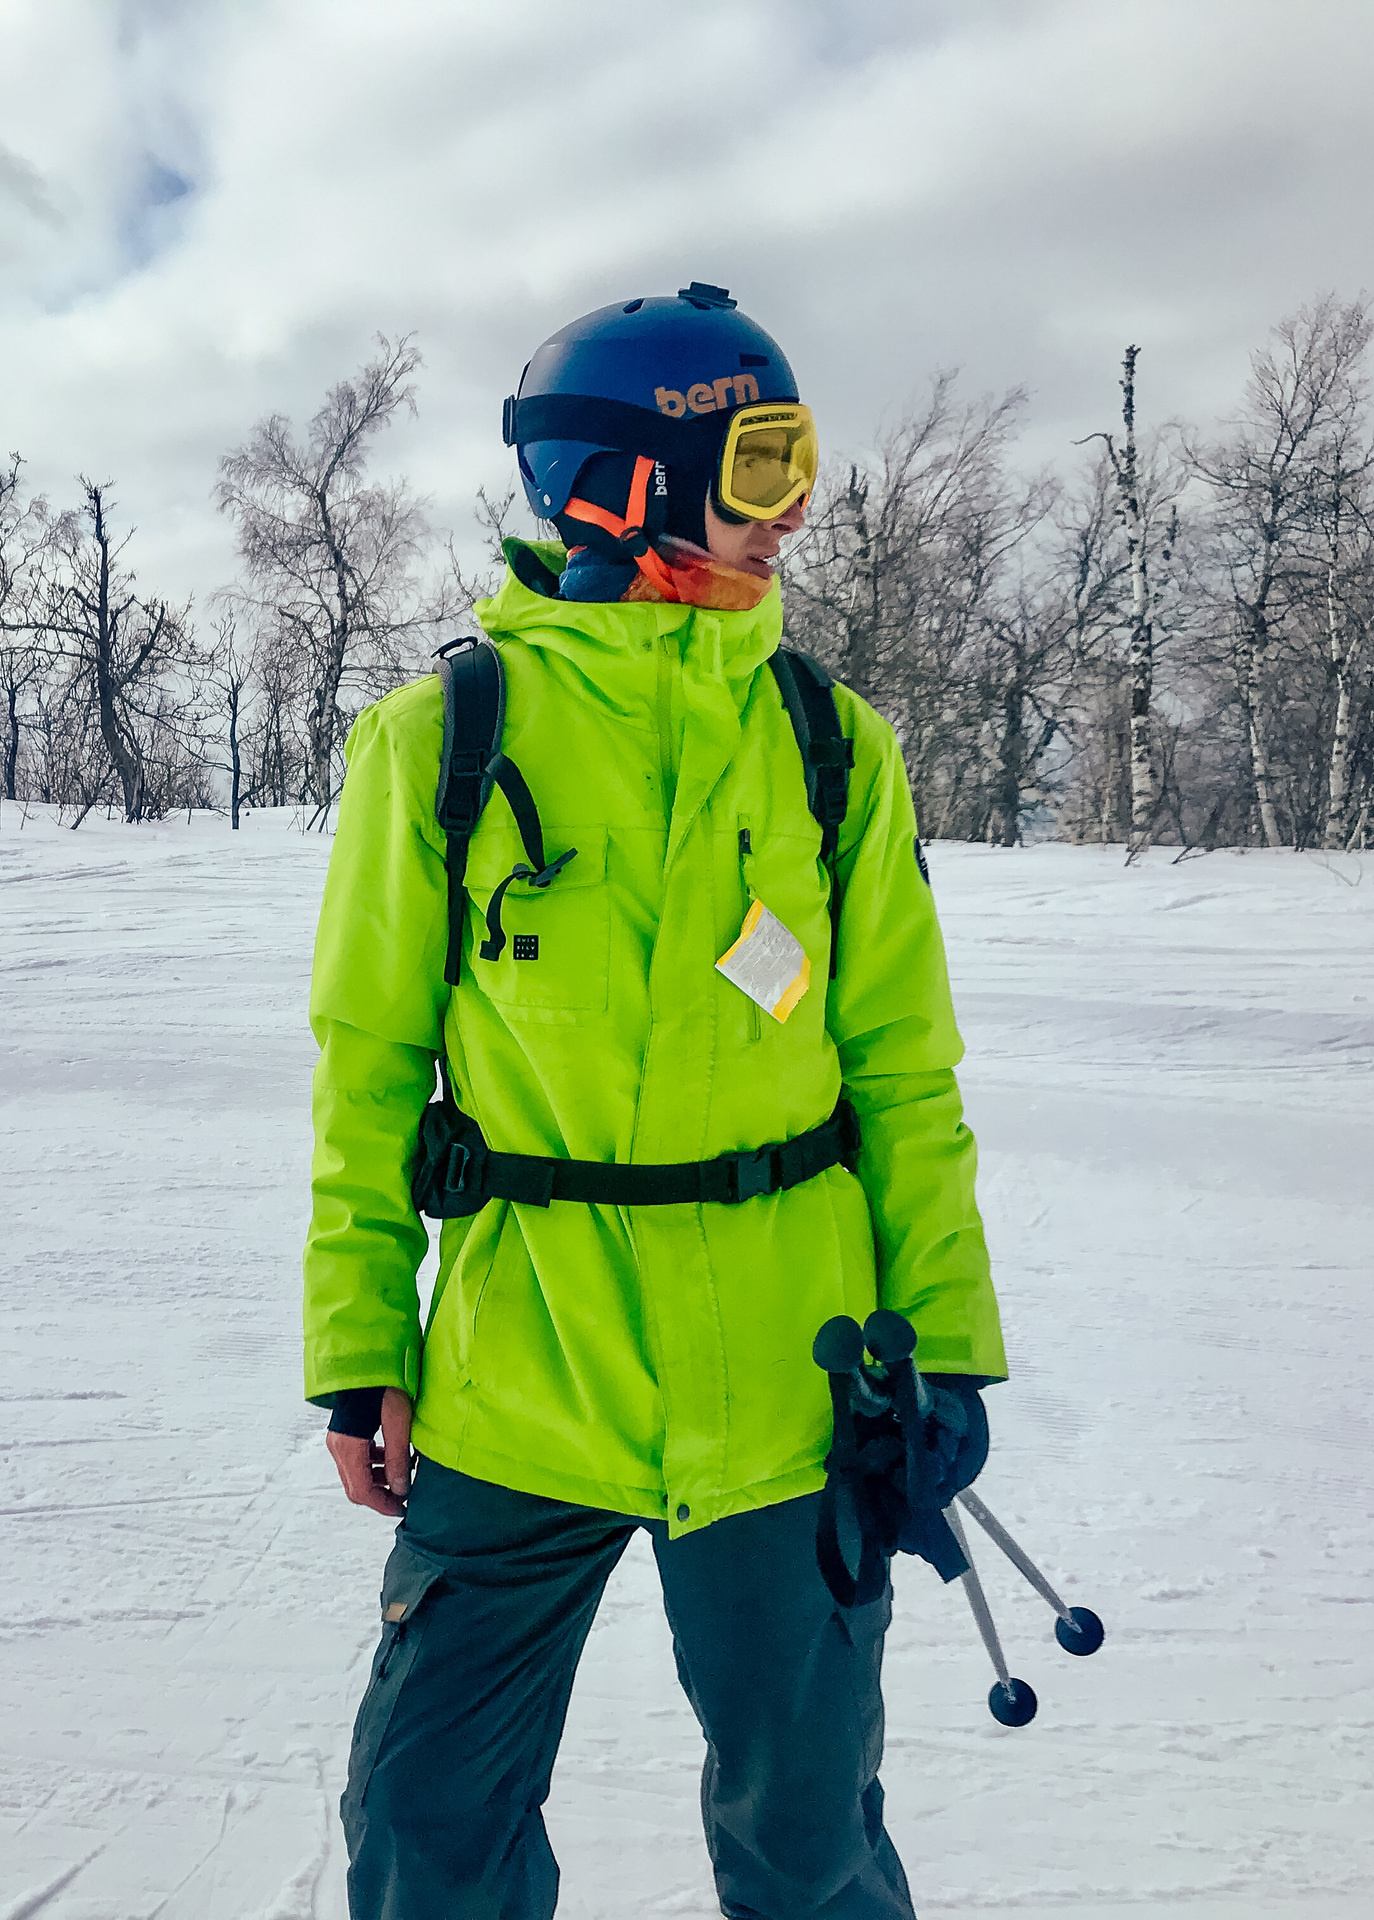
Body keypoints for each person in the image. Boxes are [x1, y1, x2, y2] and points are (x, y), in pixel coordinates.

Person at [301, 283, 1008, 1919]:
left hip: (788, 1385)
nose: (796, 506)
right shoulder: (443, 741)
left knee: (808, 1838)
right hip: (515, 1377)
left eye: (798, 459)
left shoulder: (832, 744)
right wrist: (359, 1350)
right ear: (620, 484)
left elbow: (905, 1073)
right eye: (760, 463)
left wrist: (948, 1346)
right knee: (427, 1825)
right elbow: (369, 1070)